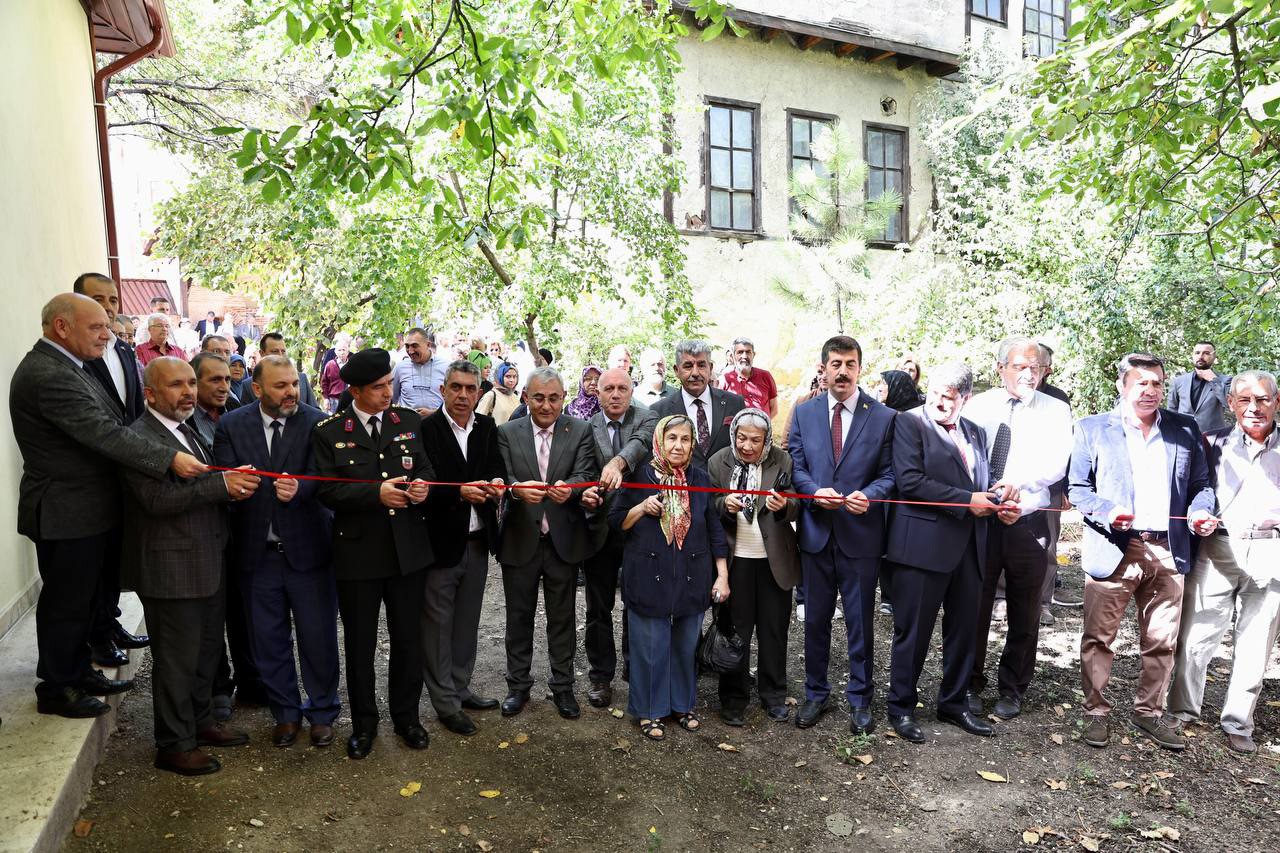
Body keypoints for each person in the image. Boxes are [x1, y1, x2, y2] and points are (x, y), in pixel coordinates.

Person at [10, 294, 204, 718]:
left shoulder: (73, 367)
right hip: (66, 510)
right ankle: (58, 687)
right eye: (97, 326)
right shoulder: (50, 374)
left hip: (86, 509)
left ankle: (77, 670)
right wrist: (168, 457)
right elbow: (104, 432)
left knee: (86, 598)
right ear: (62, 327)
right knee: (67, 601)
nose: (108, 333)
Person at [120, 357, 261, 775]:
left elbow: (201, 483)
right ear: (149, 394)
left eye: (189, 383)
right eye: (175, 385)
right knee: (177, 661)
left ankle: (200, 723)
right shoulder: (138, 437)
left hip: (208, 559)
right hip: (171, 568)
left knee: (204, 654)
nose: (187, 392)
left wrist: (230, 484)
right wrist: (221, 486)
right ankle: (174, 744)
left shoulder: (189, 427)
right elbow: (156, 501)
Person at [1069, 352, 1216, 751]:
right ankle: (1096, 712)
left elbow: (1201, 484)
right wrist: (1107, 511)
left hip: (1169, 550)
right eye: (1142, 383)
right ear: (1122, 385)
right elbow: (1078, 489)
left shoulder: (1185, 429)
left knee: (1162, 640)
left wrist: (1201, 510)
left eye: (1157, 384)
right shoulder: (1092, 429)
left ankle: (1148, 712)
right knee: (1099, 637)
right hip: (1116, 546)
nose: (1150, 391)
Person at [883, 364, 1021, 743]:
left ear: (966, 399)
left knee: (964, 631)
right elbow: (910, 481)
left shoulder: (975, 431)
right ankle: (901, 707)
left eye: (950, 396)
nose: (940, 402)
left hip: (971, 547)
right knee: (913, 632)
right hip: (921, 548)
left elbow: (977, 482)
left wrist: (998, 496)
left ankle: (954, 702)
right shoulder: (909, 423)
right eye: (935, 393)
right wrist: (967, 501)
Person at [312, 349, 435, 759]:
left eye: (388, 385)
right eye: (378, 388)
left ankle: (407, 718)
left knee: (407, 641)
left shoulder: (409, 421)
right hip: (358, 552)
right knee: (361, 645)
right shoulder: (330, 431)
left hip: (406, 552)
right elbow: (325, 489)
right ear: (355, 391)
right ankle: (364, 724)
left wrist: (422, 488)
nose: (387, 393)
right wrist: (373, 493)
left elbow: (426, 470)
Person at [212, 355, 340, 750]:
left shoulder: (319, 422)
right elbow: (225, 473)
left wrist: (302, 489)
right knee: (268, 639)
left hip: (308, 551)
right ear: (257, 389)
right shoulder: (232, 424)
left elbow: (328, 477)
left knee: (318, 638)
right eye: (281, 386)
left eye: (294, 385)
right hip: (257, 554)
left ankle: (322, 713)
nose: (291, 393)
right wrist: (236, 486)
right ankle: (285, 714)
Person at [787, 335, 896, 735]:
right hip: (816, 534)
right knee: (815, 619)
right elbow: (795, 466)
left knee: (859, 621)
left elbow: (891, 474)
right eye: (835, 363)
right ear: (824, 368)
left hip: (861, 535)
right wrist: (814, 493)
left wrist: (869, 495)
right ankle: (816, 692)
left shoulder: (882, 416)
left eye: (850, 364)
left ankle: (860, 696)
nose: (843, 371)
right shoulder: (805, 413)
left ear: (859, 368)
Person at [1168, 371, 1280, 754]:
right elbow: (1192, 488)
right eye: (1245, 399)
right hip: (1216, 548)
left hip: (1271, 551)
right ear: (1230, 405)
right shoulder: (1210, 442)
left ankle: (1238, 720)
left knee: (1256, 641)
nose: (1254, 407)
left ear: (1277, 403)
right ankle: (1182, 710)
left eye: (1263, 399)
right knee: (1196, 634)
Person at [962, 337, 1073, 721]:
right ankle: (969, 685)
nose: (1028, 374)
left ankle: (1012, 688)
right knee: (973, 606)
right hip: (981, 523)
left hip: (1028, 520)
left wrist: (1018, 493)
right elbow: (962, 457)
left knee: (1025, 610)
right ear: (1000, 368)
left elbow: (1057, 463)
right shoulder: (976, 406)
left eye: (1036, 368)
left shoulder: (1056, 411)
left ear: (1045, 372)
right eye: (1019, 367)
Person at [611, 415, 730, 740]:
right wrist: (640, 508)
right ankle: (650, 710)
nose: (678, 445)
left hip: (692, 575)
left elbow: (715, 530)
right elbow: (615, 521)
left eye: (685, 439)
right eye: (672, 438)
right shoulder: (638, 476)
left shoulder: (700, 479)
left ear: (693, 444)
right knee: (651, 646)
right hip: (649, 574)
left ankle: (681, 705)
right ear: (659, 441)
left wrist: (722, 576)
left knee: (684, 645)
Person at [495, 366, 602, 719]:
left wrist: (570, 490)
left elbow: (587, 474)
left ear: (563, 398)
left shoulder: (581, 430)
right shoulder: (508, 432)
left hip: (563, 540)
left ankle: (563, 688)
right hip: (520, 538)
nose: (546, 405)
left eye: (554, 398)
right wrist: (513, 489)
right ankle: (517, 688)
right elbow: (504, 476)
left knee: (562, 618)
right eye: (538, 397)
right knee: (518, 618)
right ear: (526, 397)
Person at [420, 361, 507, 736]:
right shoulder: (426, 429)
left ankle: (460, 686)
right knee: (437, 625)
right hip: (440, 543)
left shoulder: (487, 427)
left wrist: (499, 483)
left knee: (467, 622)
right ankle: (445, 702)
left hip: (477, 542)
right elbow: (420, 485)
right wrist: (458, 492)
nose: (463, 396)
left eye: (471, 389)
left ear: (479, 392)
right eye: (456, 387)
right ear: (443, 390)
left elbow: (496, 468)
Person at [73, 273, 149, 667]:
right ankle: (96, 636)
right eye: (97, 299)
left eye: (113, 299)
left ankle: (111, 621)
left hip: (123, 476)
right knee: (90, 569)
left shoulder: (123, 352)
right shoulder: (76, 362)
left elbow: (133, 414)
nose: (108, 306)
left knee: (115, 560)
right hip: (89, 484)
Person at [708, 408, 800, 725]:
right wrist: (724, 504)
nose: (747, 446)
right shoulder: (718, 461)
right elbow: (708, 507)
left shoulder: (782, 460)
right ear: (734, 435)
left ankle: (773, 694)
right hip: (737, 561)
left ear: (767, 440)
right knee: (737, 631)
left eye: (755, 440)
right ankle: (733, 698)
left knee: (774, 631)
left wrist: (784, 505)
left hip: (773, 558)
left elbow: (796, 502)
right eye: (742, 438)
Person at [583, 367, 658, 707]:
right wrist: (586, 493)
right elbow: (582, 470)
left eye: (622, 388)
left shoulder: (647, 417)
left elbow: (641, 445)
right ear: (596, 392)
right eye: (608, 388)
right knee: (598, 607)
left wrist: (616, 463)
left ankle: (634, 670)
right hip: (599, 529)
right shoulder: (587, 426)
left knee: (636, 602)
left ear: (632, 390)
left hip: (637, 527)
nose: (615, 394)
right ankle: (600, 676)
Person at [649, 340, 746, 469]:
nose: (695, 373)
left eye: (701, 365)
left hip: (725, 486)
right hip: (682, 486)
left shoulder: (734, 403)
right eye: (688, 366)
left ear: (710, 368)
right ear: (676, 370)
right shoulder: (659, 411)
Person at [1167, 341, 1232, 432]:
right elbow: (1171, 410)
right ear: (1192, 356)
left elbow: (1229, 404)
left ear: (1214, 357)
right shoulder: (1179, 381)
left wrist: (1213, 379)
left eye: (1206, 353)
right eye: (1197, 353)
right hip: (1184, 435)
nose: (1201, 356)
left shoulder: (1225, 380)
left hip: (1213, 437)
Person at [392, 327, 450, 416]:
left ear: (428, 345)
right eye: (407, 346)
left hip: (437, 424)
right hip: (407, 425)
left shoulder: (446, 367)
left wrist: (433, 413)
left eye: (415, 346)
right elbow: (392, 397)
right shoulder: (400, 367)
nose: (410, 351)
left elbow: (452, 401)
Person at [252, 332, 318, 408]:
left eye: (283, 351)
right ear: (262, 353)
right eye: (275, 351)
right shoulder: (249, 386)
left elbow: (315, 410)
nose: (280, 355)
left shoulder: (302, 378)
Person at [188, 353, 242, 447]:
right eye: (215, 380)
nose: (225, 388)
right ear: (194, 382)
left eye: (227, 379)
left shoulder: (234, 406)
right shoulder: (184, 418)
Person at [720, 337, 779, 417]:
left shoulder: (766, 376)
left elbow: (774, 409)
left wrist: (764, 425)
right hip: (734, 429)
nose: (744, 356)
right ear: (733, 355)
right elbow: (718, 409)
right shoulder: (725, 379)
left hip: (761, 428)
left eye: (748, 352)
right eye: (740, 352)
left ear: (753, 355)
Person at [320, 337, 350, 413]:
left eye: (344, 350)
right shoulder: (330, 365)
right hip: (333, 400)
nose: (342, 352)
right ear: (336, 352)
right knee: (333, 422)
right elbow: (324, 383)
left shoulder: (351, 365)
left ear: (348, 351)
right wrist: (326, 399)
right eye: (339, 350)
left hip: (349, 400)